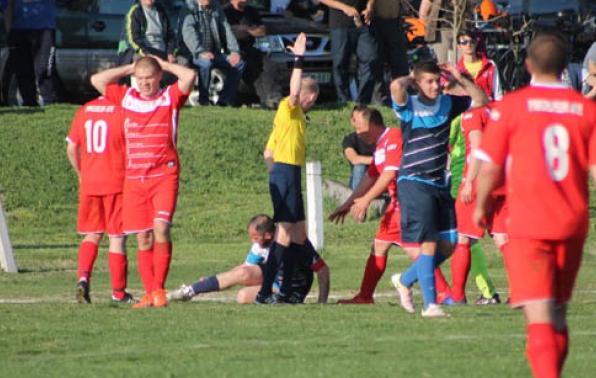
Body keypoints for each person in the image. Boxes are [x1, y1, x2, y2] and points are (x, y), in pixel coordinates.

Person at [473, 32, 596, 378]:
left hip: (528, 223)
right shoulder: (585, 108)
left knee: (539, 314)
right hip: (572, 223)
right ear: (566, 68)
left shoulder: (512, 106)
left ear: (528, 65)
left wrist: (480, 204)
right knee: (558, 313)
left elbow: (490, 166)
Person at [90, 56, 197, 309]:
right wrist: (132, 67)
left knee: (161, 227)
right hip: (134, 179)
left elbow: (190, 76)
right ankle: (151, 293)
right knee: (143, 238)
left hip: (163, 176)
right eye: (141, 79)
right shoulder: (126, 97)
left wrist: (164, 64)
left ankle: (158, 288)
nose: (145, 83)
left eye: (149, 78)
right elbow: (97, 80)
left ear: (159, 77)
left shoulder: (169, 97)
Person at [389, 60, 488, 317]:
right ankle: (430, 305)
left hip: (438, 183)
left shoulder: (447, 103)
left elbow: (480, 99)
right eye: (429, 81)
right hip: (414, 181)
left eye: (437, 80)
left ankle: (405, 280)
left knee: (450, 243)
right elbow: (395, 87)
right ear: (418, 83)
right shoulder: (409, 106)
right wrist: (410, 77)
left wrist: (460, 76)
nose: (435, 85)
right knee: (429, 243)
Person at [330, 107, 454, 305]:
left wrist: (366, 200)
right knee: (379, 245)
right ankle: (365, 296)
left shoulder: (394, 137)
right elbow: (369, 177)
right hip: (397, 204)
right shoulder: (379, 147)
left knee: (415, 249)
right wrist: (347, 204)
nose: (358, 134)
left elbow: (389, 174)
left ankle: (444, 293)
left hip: (408, 200)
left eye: (360, 128)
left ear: (373, 125)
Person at [255, 33, 319, 304]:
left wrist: (274, 170)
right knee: (284, 231)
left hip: (285, 173)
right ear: (311, 96)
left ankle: (287, 293)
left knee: (299, 232)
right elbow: (293, 92)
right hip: (286, 172)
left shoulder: (289, 119)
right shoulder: (289, 108)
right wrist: (299, 58)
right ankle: (265, 292)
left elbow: (267, 151)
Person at [168, 214, 329, 304]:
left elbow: (323, 270)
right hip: (272, 278)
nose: (253, 242)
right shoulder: (260, 245)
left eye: (255, 238)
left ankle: (280, 298)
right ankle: (189, 291)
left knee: (243, 297)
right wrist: (208, 282)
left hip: (290, 289)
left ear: (268, 235)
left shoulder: (296, 242)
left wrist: (322, 303)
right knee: (244, 273)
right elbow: (243, 270)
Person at [66, 96, 134, 304]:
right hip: (116, 183)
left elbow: (71, 148)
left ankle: (83, 278)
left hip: (90, 183)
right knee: (117, 237)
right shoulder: (122, 111)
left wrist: (81, 174)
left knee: (92, 234)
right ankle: (118, 293)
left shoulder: (85, 109)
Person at [449, 105, 507, 305]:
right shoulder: (499, 110)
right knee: (502, 238)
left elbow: (476, 147)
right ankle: (520, 292)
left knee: (464, 238)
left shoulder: (472, 114)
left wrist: (467, 181)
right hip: (501, 179)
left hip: (475, 180)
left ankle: (457, 297)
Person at [318, 0, 380, 105]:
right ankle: (343, 100)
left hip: (362, 24)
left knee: (371, 59)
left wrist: (369, 7)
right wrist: (343, 7)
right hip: (340, 24)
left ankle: (362, 100)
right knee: (340, 63)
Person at [5, 0, 58, 106]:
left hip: (43, 28)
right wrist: (9, 27)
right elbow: (9, 2)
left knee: (43, 67)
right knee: (23, 68)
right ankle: (29, 102)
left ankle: (48, 99)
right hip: (21, 28)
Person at [177, 0, 244, 106]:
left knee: (239, 64)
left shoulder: (216, 7)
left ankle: (225, 100)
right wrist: (200, 51)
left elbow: (226, 29)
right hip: (193, 53)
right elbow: (188, 33)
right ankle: (204, 100)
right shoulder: (188, 7)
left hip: (214, 52)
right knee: (205, 63)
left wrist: (234, 51)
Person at [223, 0, 280, 108]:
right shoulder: (226, 12)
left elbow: (261, 31)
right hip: (233, 49)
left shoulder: (252, 12)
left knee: (269, 65)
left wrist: (243, 29)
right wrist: (249, 29)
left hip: (251, 47)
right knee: (248, 68)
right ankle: (242, 99)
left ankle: (273, 97)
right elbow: (231, 33)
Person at [361, 0, 409, 84]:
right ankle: (379, 97)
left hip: (394, 23)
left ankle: (401, 92)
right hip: (375, 24)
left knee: (399, 61)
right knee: (377, 62)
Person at [117, 0, 177, 65]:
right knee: (143, 62)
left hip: (162, 51)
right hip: (143, 51)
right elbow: (132, 39)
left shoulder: (162, 12)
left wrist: (170, 53)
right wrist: (147, 54)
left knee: (183, 62)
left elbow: (171, 36)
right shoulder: (135, 12)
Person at [455, 29, 502, 101]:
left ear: (476, 42)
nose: (468, 45)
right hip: (469, 110)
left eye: (472, 41)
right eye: (464, 42)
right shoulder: (457, 71)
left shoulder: (490, 65)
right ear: (459, 46)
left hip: (488, 108)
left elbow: (498, 94)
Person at [342, 105, 375, 190]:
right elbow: (354, 159)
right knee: (360, 166)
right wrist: (379, 160)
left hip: (377, 175)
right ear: (352, 121)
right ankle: (357, 198)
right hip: (359, 177)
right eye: (356, 119)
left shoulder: (376, 137)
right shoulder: (350, 139)